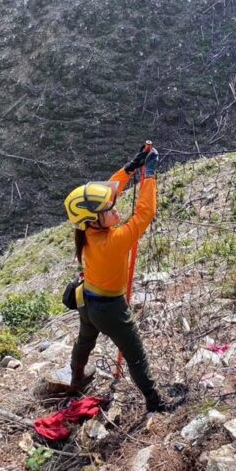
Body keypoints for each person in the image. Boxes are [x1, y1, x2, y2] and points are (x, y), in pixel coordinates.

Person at [63, 144, 176, 413]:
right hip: (110, 309)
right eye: (109, 209)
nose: (115, 208)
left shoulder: (87, 231)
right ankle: (155, 402)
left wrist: (129, 169)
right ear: (94, 220)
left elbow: (106, 192)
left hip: (86, 299)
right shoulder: (113, 242)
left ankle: (76, 378)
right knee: (135, 354)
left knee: (85, 341)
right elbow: (145, 213)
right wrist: (149, 176)